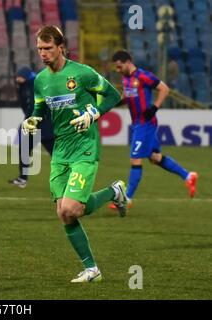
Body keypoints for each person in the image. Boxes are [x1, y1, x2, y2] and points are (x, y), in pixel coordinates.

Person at [22, 25, 127, 283]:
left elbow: (114, 95)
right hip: (60, 151)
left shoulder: (82, 74)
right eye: (39, 49)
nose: (43, 53)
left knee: (71, 208)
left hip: (84, 147)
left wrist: (94, 114)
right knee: (64, 213)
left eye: (47, 48)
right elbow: (39, 108)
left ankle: (113, 193)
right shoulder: (41, 80)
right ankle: (92, 269)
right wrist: (32, 120)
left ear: (61, 47)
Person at [110, 50, 197, 210]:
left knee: (135, 158)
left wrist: (155, 107)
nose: (118, 70)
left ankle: (127, 199)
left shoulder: (143, 76)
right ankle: (188, 176)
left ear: (128, 62)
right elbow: (127, 96)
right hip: (138, 124)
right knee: (154, 158)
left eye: (119, 66)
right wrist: (115, 102)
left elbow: (164, 88)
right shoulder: (125, 78)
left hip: (146, 124)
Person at [8, 66, 55, 188]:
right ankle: (22, 178)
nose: (18, 80)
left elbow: (36, 106)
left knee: (56, 154)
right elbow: (25, 104)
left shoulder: (36, 84)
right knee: (24, 149)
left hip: (45, 125)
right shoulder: (23, 87)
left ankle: (69, 178)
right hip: (33, 125)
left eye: (20, 77)